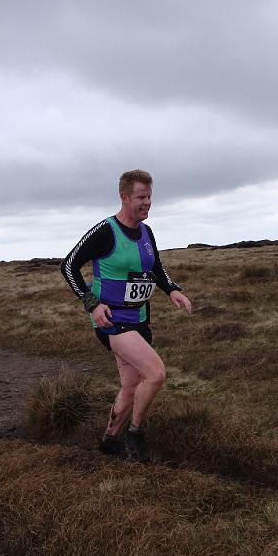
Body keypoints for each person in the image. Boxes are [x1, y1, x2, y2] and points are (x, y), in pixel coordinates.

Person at [61, 169, 192, 462]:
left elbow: (156, 267)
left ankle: (109, 442)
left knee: (132, 386)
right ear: (124, 197)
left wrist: (172, 290)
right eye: (141, 197)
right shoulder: (105, 231)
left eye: (150, 197)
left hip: (140, 319)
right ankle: (135, 432)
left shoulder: (146, 232)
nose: (147, 203)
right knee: (155, 374)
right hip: (112, 321)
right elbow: (69, 265)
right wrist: (91, 303)